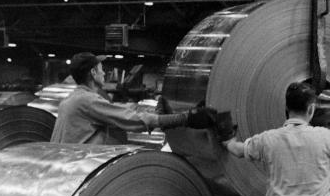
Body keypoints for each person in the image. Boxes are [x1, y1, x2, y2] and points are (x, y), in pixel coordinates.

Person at [50, 52, 216, 144]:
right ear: (93, 73)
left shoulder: (73, 99)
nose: (104, 73)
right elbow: (132, 120)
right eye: (101, 69)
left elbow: (120, 111)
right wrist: (185, 118)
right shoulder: (85, 101)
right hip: (77, 170)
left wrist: (153, 110)